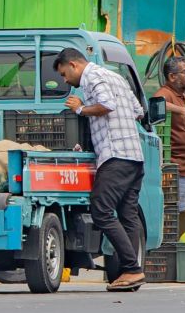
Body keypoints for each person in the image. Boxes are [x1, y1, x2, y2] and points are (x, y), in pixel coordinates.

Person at [54, 48, 146, 291]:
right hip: (135, 155)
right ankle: (131, 271)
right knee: (128, 216)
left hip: (115, 155)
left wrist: (80, 109)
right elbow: (138, 111)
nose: (65, 80)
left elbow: (107, 104)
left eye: (64, 74)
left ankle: (132, 269)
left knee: (101, 210)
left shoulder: (92, 78)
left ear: (73, 65)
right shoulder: (116, 76)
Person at [154, 56, 185, 213]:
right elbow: (156, 103)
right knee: (181, 215)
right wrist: (183, 110)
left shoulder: (183, 97)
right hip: (179, 170)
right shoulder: (166, 93)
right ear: (172, 76)